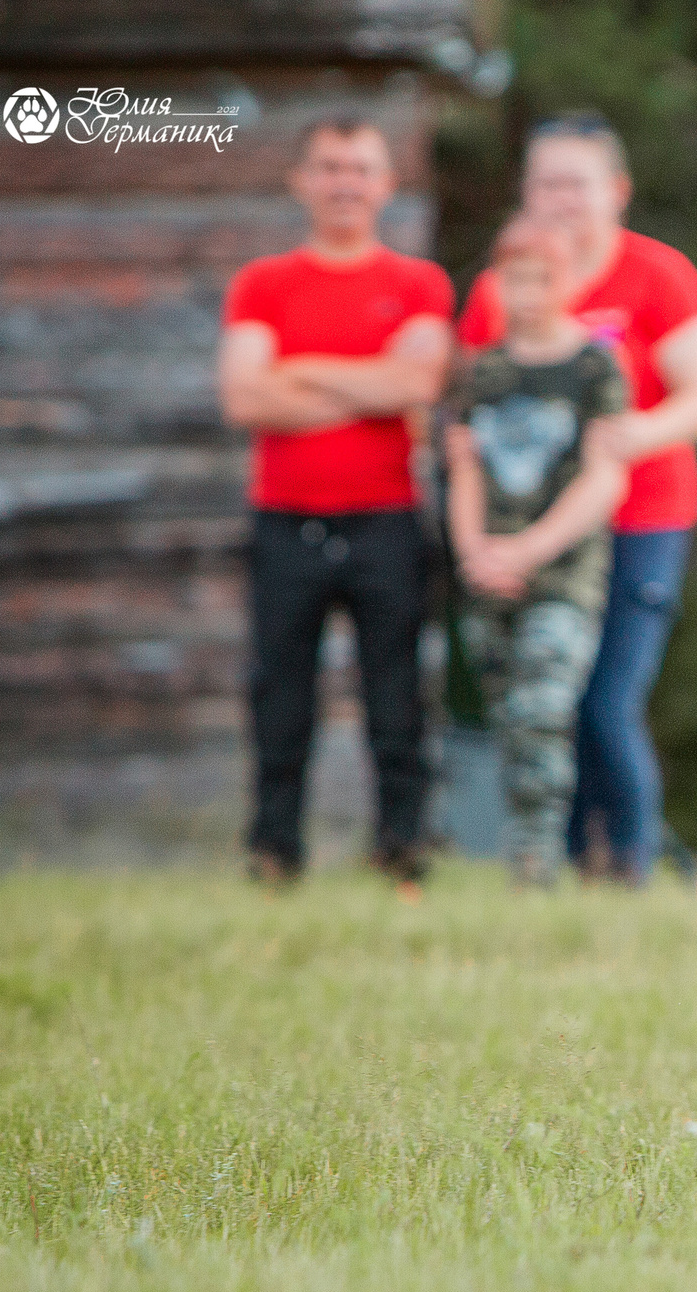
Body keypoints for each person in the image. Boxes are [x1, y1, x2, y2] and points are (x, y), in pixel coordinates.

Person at [456, 112, 697, 887]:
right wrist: (491, 540)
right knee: (549, 704)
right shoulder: (498, 288)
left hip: (640, 519)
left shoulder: (658, 275)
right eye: (544, 183)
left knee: (609, 701)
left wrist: (622, 438)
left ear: (616, 190)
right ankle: (571, 867)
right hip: (531, 531)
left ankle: (629, 867)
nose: (559, 199)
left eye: (575, 182)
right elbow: (473, 412)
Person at [217, 114, 453, 887]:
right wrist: (363, 379)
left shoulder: (418, 284)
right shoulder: (263, 282)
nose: (344, 183)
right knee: (279, 692)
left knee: (395, 691)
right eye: (329, 167)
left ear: (386, 185)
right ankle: (275, 849)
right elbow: (247, 397)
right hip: (285, 518)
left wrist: (302, 374)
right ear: (302, 182)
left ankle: (402, 846)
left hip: (387, 517)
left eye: (360, 168)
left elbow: (418, 384)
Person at [442, 217, 631, 885]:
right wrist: (474, 552)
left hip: (563, 574)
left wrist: (528, 550)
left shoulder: (593, 366)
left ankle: (537, 863)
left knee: (543, 710)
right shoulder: (483, 371)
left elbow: (606, 476)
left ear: (569, 282)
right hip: (487, 573)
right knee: (505, 719)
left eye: (542, 277)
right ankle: (522, 853)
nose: (527, 291)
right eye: (514, 276)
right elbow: (462, 467)